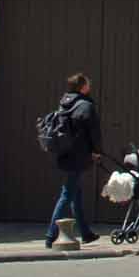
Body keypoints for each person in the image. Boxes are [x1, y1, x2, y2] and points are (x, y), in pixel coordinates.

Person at [45, 71, 101, 248]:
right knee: (67, 194)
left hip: (65, 153)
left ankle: (86, 233)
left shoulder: (65, 104)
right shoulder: (85, 105)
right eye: (88, 84)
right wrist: (97, 151)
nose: (89, 87)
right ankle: (50, 235)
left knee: (75, 193)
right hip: (79, 155)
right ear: (83, 87)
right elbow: (94, 132)